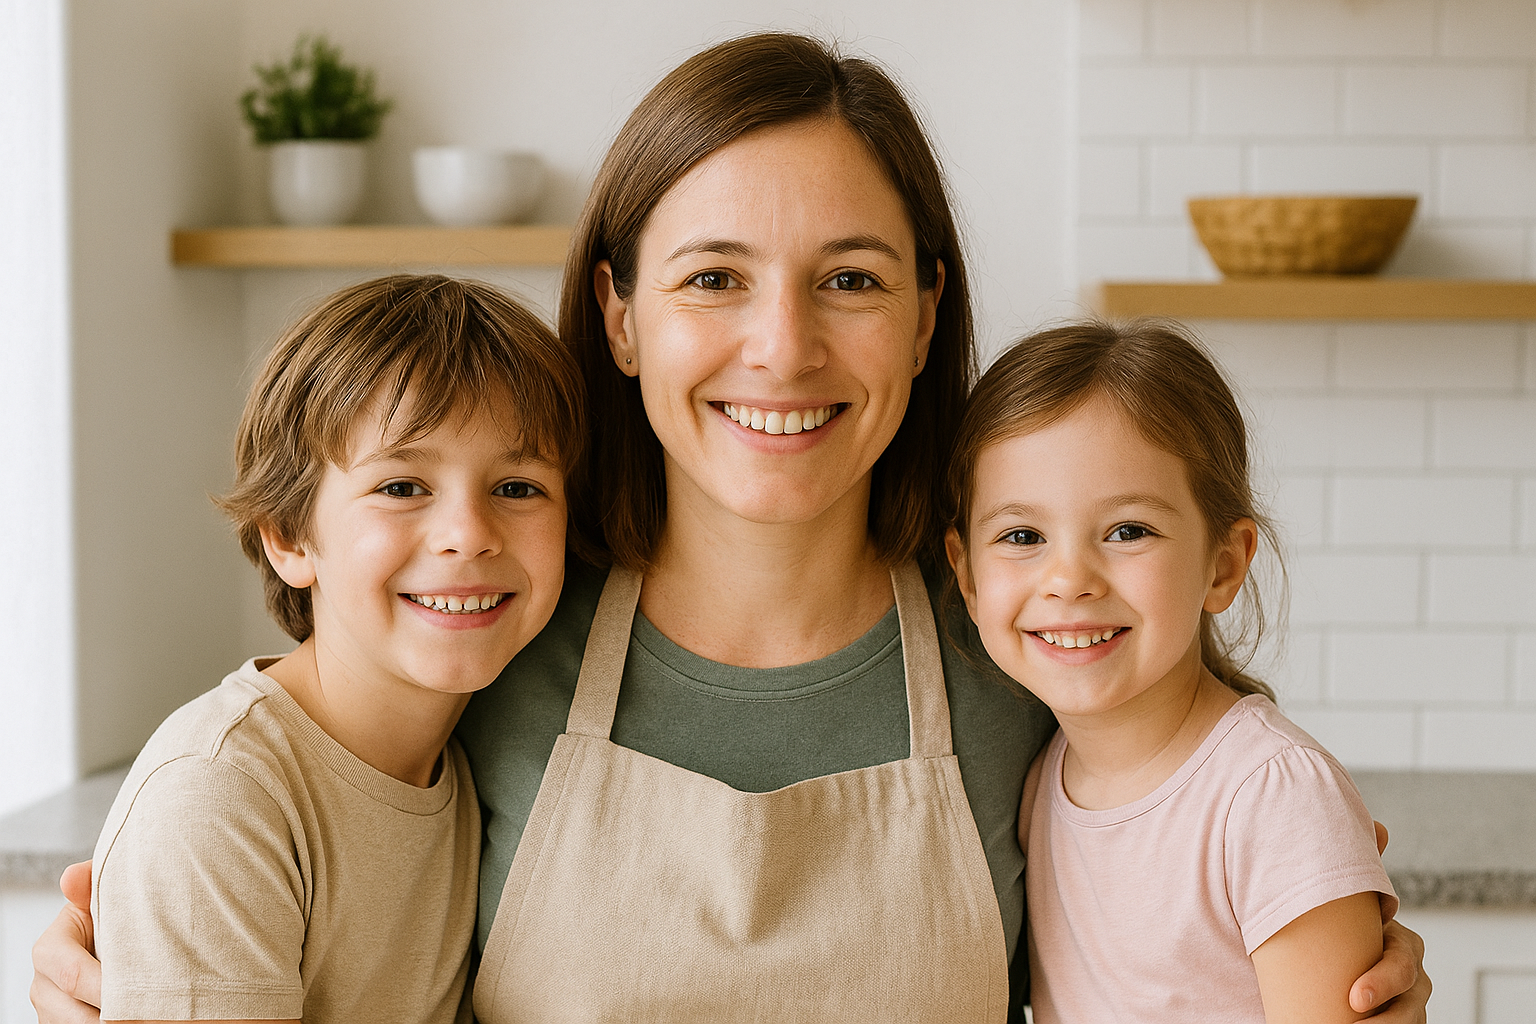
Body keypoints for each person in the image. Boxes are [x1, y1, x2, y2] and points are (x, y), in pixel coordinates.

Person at [32, 33, 1430, 1024]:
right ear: (623, 316)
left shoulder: (1027, 654)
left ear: (929, 312)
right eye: (714, 277)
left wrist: (1320, 951)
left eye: (852, 279)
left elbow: (1214, 854)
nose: (783, 345)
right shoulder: (490, 631)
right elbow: (298, 831)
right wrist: (128, 955)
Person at [85, 275, 581, 1023]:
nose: (470, 532)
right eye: (403, 486)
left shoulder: (476, 755)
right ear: (287, 535)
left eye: (517, 487)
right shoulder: (222, 796)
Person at [944, 320, 1397, 1023]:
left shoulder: (1274, 797)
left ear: (1223, 565)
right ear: (967, 576)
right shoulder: (1042, 779)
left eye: (1128, 531)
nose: (1069, 579)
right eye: (1022, 536)